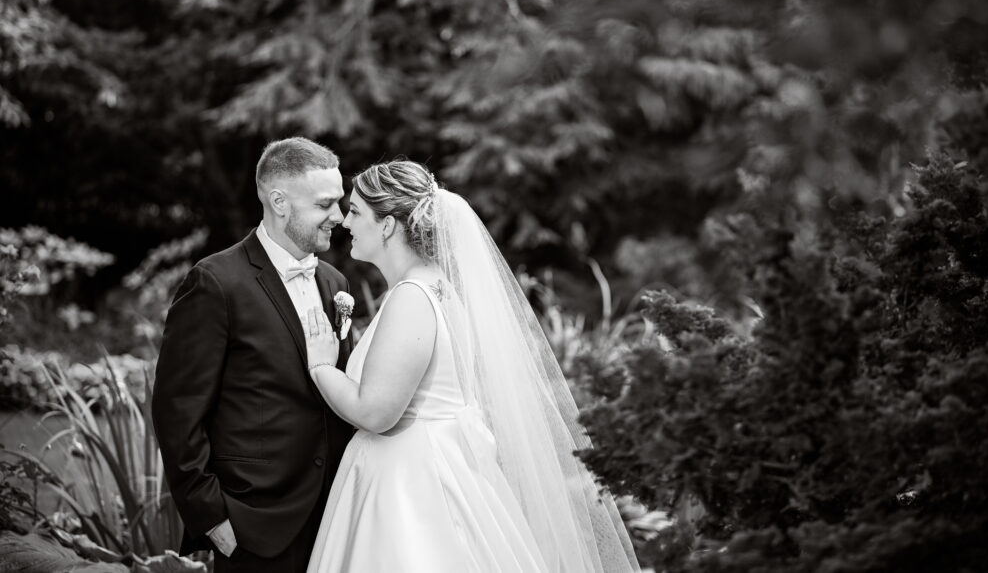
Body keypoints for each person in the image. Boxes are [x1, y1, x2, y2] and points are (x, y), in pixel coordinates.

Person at [302, 160, 640, 572]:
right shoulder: (438, 286)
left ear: (388, 225)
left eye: (355, 211)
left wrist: (321, 368)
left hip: (410, 491)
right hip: (437, 467)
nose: (344, 222)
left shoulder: (412, 296)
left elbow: (376, 413)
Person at [152, 137, 355, 573]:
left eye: (338, 203)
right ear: (280, 202)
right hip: (252, 524)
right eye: (325, 204)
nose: (338, 217)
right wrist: (212, 517)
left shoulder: (335, 283)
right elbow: (177, 411)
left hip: (332, 515)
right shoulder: (215, 283)